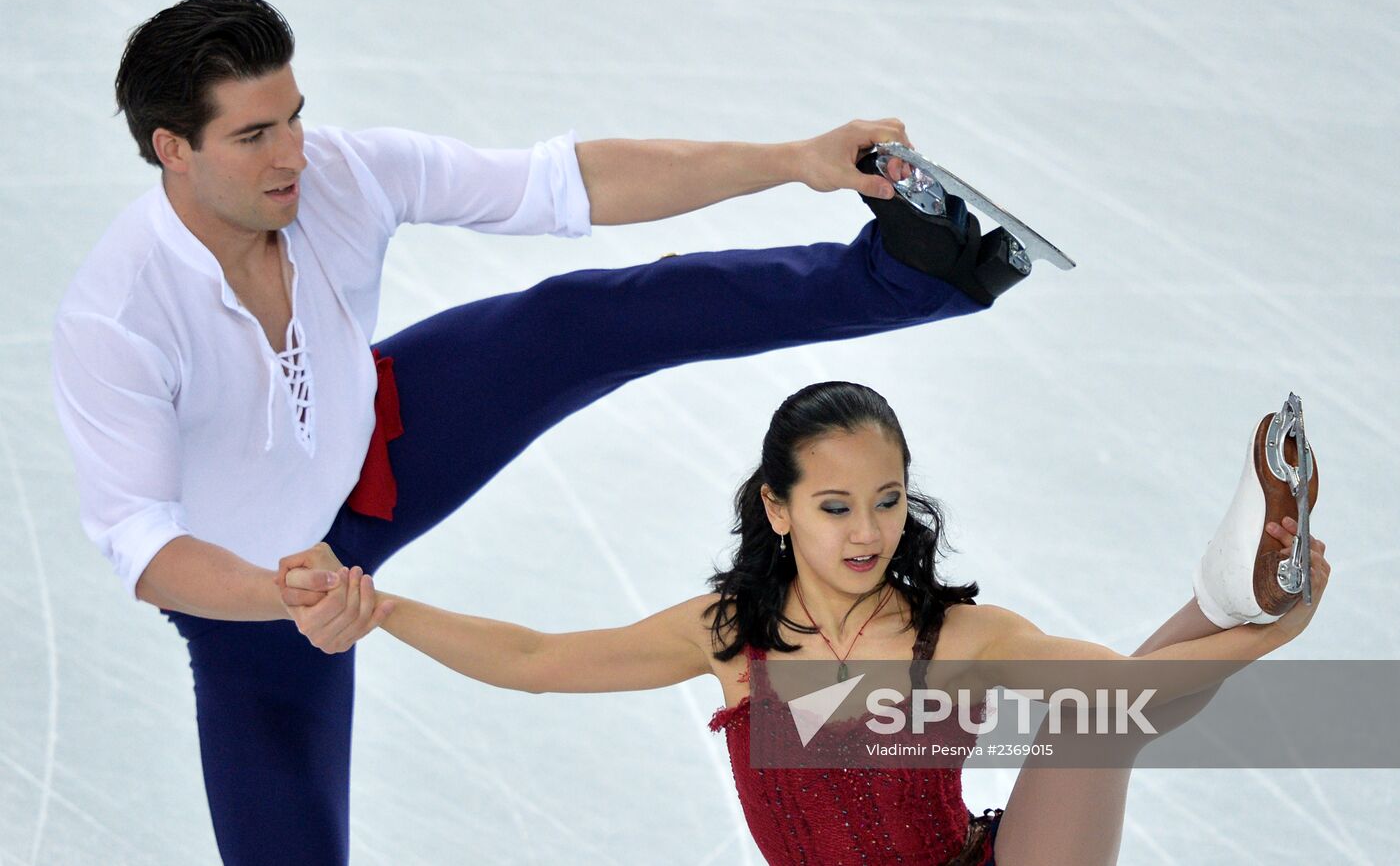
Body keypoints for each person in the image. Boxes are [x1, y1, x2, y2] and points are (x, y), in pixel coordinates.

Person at [52, 0, 1040, 864]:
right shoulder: (119, 316)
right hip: (261, 588)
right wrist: (293, 594)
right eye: (254, 135)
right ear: (170, 149)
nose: (295, 153)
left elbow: (568, 184)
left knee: (581, 319)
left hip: (379, 440)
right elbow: (142, 545)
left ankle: (909, 274)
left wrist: (793, 162)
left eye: (296, 116)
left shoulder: (342, 175)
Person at [317, 381, 1329, 865]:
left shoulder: (955, 638)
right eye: (835, 505)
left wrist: (1273, 638)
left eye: (885, 500)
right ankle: (1225, 587)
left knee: (1099, 721)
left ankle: (1231, 593)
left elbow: (1134, 697)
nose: (865, 531)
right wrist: (386, 609)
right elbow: (536, 660)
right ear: (777, 506)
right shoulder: (729, 636)